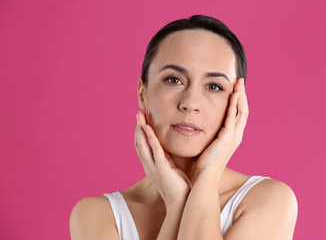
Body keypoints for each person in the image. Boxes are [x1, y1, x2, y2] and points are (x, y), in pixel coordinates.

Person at [69, 15, 298, 240]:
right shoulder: (96, 215)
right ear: (142, 92)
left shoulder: (268, 200)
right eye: (174, 80)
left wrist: (208, 175)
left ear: (237, 103)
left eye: (214, 86)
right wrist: (177, 203)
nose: (190, 103)